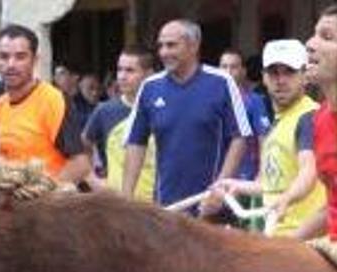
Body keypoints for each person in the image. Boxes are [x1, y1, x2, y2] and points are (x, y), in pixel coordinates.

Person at [123, 19, 252, 214]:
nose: (163, 52)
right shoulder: (150, 87)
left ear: (194, 46)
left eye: (171, 45)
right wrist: (126, 200)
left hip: (210, 208)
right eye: (161, 46)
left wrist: (219, 190)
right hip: (167, 208)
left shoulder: (221, 82)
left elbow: (240, 137)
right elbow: (136, 142)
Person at [212, 40, 324, 237]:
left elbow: (309, 171)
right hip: (279, 235)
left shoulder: (309, 116)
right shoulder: (277, 123)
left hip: (304, 241)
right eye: (273, 73)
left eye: (289, 72)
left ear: (305, 76)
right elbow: (272, 184)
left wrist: (287, 198)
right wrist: (237, 185)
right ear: (264, 77)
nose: (280, 80)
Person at [0, 24, 92, 183]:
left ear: (35, 60)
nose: (11, 64)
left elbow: (80, 165)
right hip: (10, 201)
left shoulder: (53, 100)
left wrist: (47, 194)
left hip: (48, 203)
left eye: (20, 57)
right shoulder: (0, 104)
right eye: (4, 56)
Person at [82, 46, 157, 200]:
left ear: (149, 74)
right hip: (118, 206)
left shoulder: (163, 108)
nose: (122, 76)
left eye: (130, 70)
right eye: (119, 70)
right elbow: (82, 146)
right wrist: (93, 180)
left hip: (159, 203)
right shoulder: (104, 110)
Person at [297, 6, 337, 242]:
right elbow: (331, 208)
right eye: (314, 34)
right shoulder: (318, 120)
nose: (310, 44)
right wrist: (282, 246)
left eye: (327, 36)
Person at [219, 49, 271, 181]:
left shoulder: (254, 101)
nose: (228, 72)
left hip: (244, 176)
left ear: (243, 71)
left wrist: (262, 172)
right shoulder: (209, 101)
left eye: (233, 67)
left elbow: (263, 138)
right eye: (224, 67)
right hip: (214, 174)